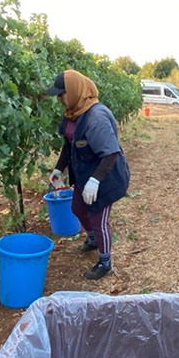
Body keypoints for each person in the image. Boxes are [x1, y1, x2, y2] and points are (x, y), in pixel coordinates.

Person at [45, 70, 131, 280]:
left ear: (74, 91)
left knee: (98, 217)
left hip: (106, 175)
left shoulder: (96, 117)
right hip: (85, 175)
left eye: (61, 94)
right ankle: (93, 240)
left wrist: (95, 180)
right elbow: (69, 146)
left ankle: (105, 261)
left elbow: (111, 154)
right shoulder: (72, 114)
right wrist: (59, 169)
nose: (59, 99)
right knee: (77, 207)